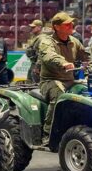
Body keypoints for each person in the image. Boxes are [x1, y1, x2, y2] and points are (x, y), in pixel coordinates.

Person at [38, 12, 89, 142]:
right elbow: (49, 56)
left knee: (88, 93)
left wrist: (90, 74)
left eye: (71, 23)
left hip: (70, 81)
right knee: (59, 96)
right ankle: (47, 134)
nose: (71, 25)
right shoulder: (46, 42)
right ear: (56, 27)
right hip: (50, 81)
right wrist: (63, 63)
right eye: (67, 24)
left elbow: (86, 59)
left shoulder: (74, 41)